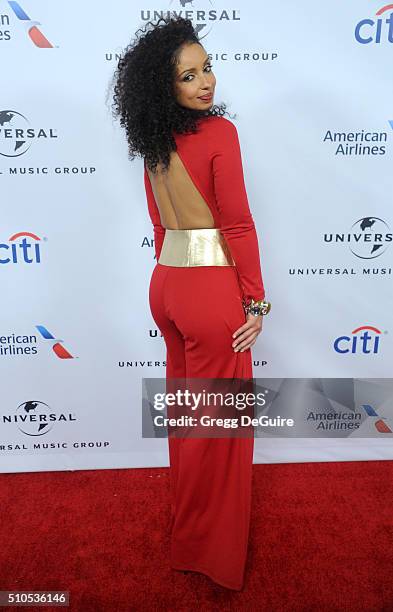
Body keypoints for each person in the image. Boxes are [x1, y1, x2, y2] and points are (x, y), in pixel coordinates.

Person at [111, 15, 270, 591]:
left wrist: (174, 287)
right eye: (189, 75)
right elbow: (238, 225)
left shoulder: (153, 138)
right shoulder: (220, 135)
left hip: (168, 290)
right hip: (210, 295)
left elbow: (160, 226)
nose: (206, 82)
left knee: (187, 421)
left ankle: (188, 535)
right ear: (165, 86)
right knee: (220, 434)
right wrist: (255, 302)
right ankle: (212, 554)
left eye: (207, 68)